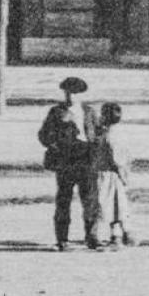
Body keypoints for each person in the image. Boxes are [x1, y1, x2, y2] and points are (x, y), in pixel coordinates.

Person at [38, 76, 102, 252]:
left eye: (75, 94)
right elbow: (43, 135)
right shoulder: (56, 112)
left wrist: (96, 147)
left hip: (86, 158)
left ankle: (92, 237)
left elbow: (98, 134)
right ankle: (62, 239)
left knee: (90, 200)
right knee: (64, 200)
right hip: (66, 159)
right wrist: (55, 144)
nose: (71, 97)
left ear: (81, 95)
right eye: (68, 93)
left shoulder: (89, 112)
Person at [89, 101, 137, 248]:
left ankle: (100, 236)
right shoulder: (114, 132)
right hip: (113, 174)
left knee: (105, 206)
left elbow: (116, 157)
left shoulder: (110, 134)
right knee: (117, 206)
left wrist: (121, 172)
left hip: (108, 174)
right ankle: (120, 235)